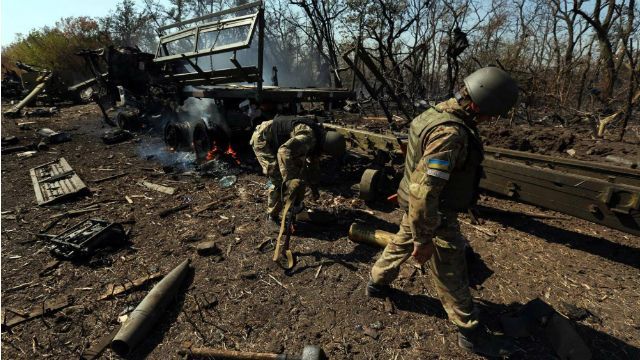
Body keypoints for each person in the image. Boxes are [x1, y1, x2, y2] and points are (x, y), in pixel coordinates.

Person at [366, 67, 519, 357]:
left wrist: (408, 204)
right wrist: (425, 239)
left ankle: (376, 282)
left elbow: (415, 167)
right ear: (476, 105)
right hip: (434, 214)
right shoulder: (449, 133)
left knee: (402, 239)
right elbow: (425, 191)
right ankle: (469, 329)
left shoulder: (432, 114)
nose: (489, 121)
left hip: (417, 208)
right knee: (450, 269)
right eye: (490, 114)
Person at [250, 114, 346, 221]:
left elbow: (312, 165)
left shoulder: (319, 137)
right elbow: (284, 151)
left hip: (279, 142)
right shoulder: (309, 138)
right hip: (263, 140)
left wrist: (314, 187)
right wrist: (289, 181)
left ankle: (296, 208)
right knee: (279, 180)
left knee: (299, 175)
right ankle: (272, 217)